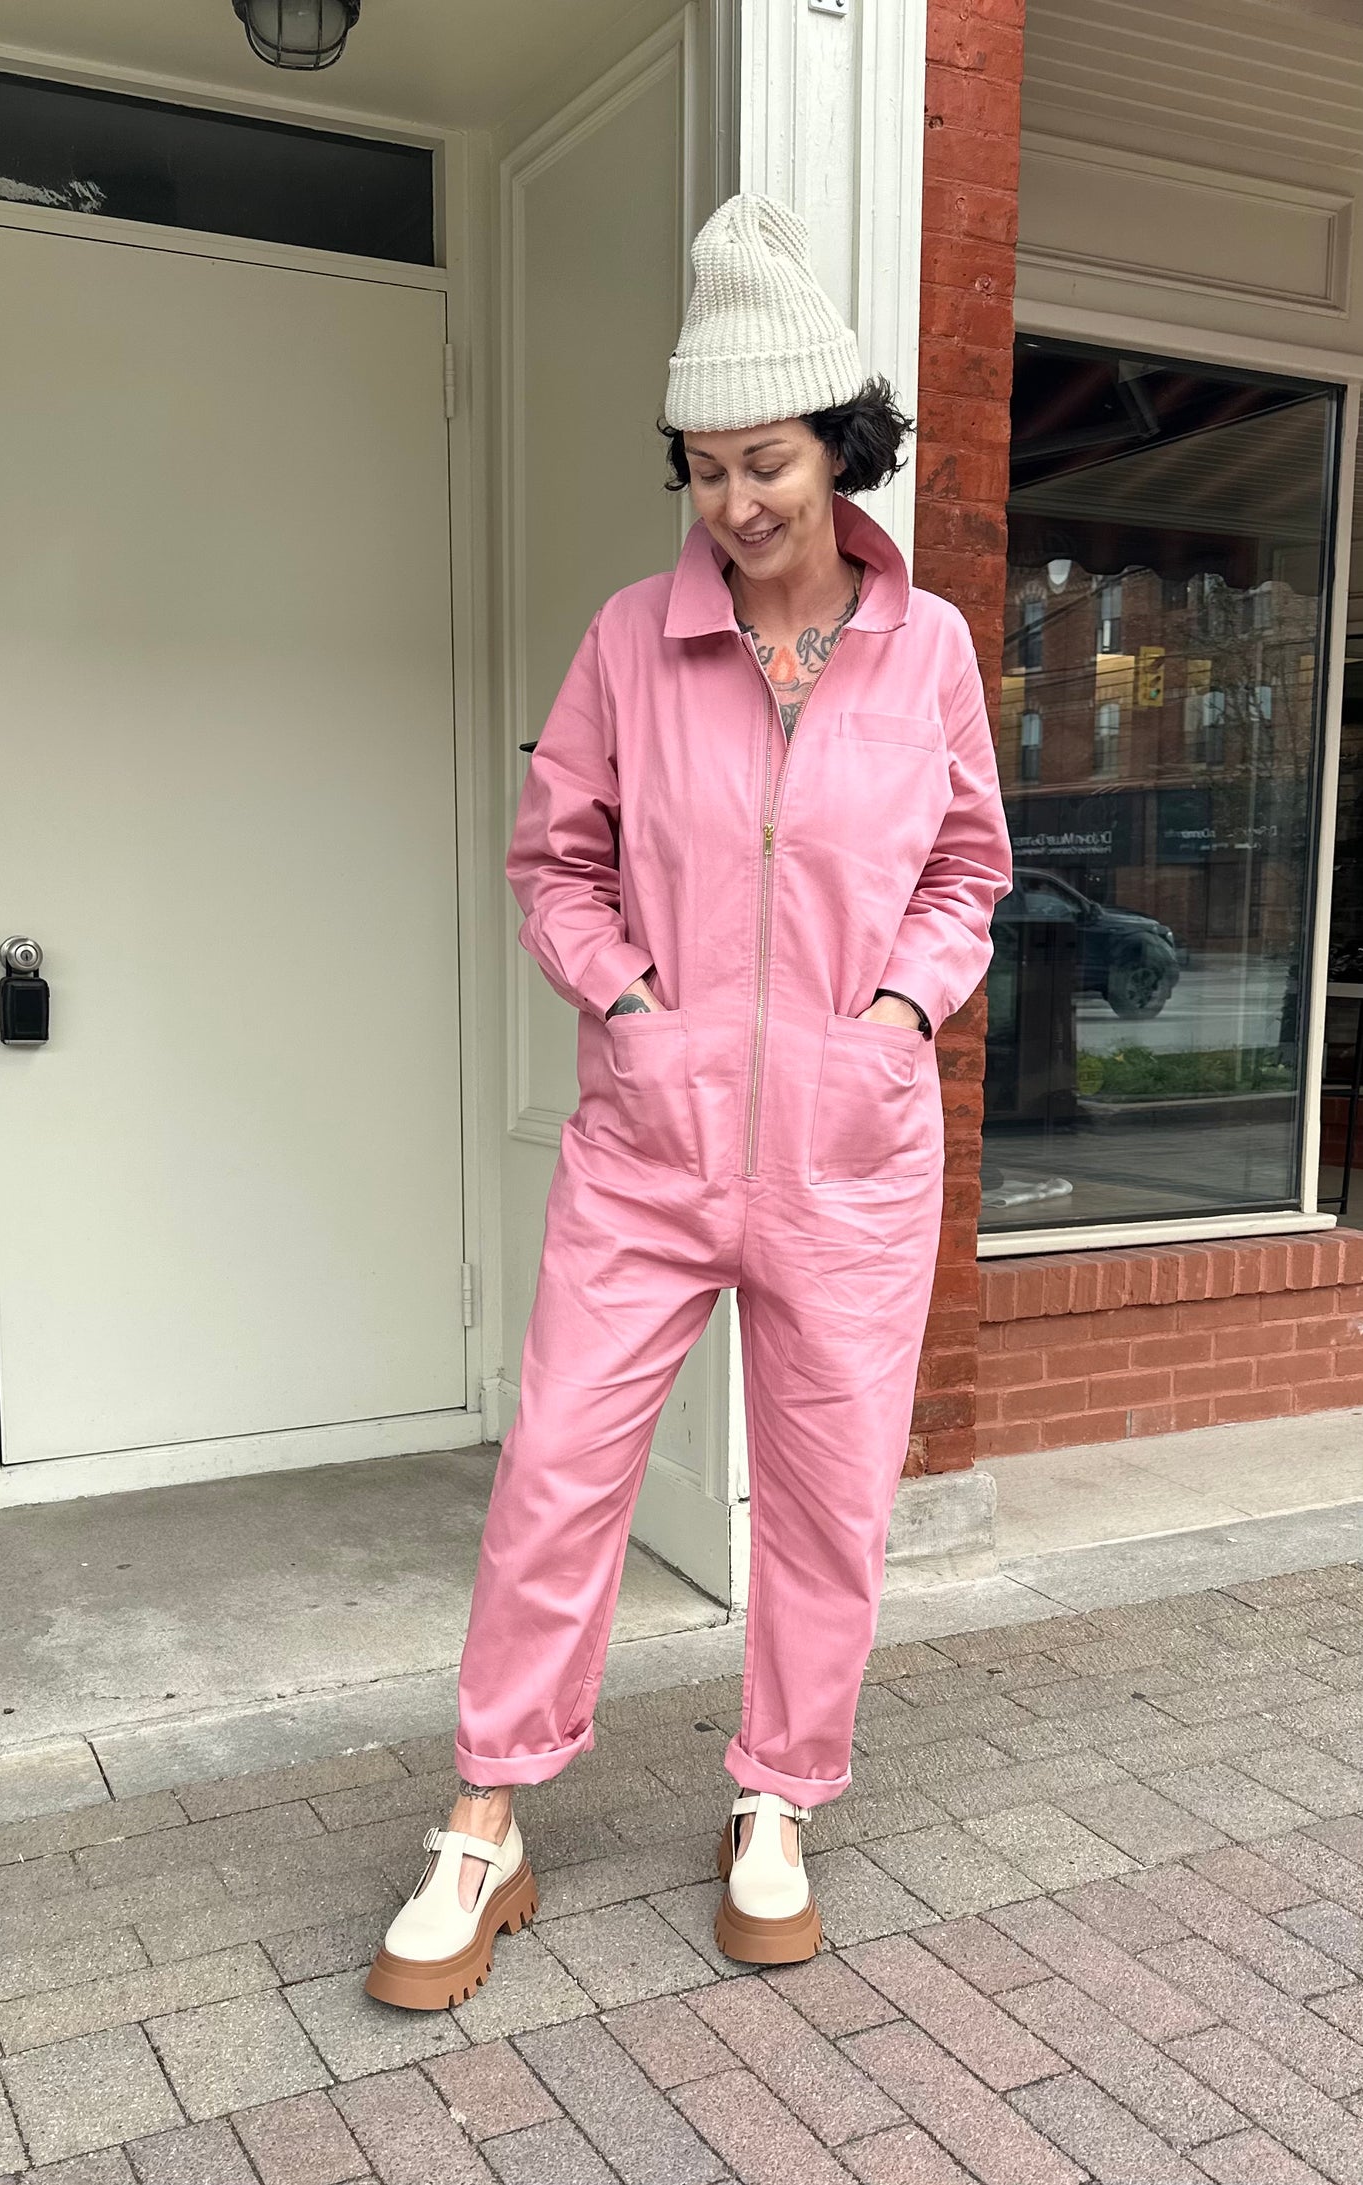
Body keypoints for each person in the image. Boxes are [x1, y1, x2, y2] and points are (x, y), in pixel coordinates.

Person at [366, 191, 1013, 2012]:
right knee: (559, 1473)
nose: (736, 501)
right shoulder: (626, 645)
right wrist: (632, 1002)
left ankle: (777, 1798)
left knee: (826, 1497)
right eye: (707, 467)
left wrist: (897, 1009)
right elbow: (553, 861)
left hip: (851, 1151)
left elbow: (967, 867)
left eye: (768, 461)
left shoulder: (928, 650)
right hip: (647, 1145)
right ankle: (484, 1822)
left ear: (838, 446)